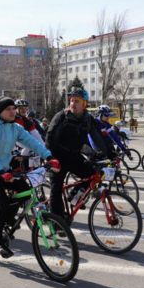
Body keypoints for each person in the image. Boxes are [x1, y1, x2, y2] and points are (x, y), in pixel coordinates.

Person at [0, 96, 59, 258]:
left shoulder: (15, 127)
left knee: (25, 191)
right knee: (3, 202)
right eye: (8, 109)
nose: (13, 111)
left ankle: (6, 220)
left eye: (14, 108)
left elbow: (32, 142)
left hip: (4, 170)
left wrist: (49, 157)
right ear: (0, 112)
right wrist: (1, 172)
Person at [46, 87, 111, 223]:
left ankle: (73, 196)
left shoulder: (88, 119)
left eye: (77, 101)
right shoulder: (61, 116)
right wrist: (49, 158)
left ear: (84, 104)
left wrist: (108, 154)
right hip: (57, 157)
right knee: (56, 188)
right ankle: (58, 223)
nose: (73, 104)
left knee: (93, 175)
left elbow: (99, 137)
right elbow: (49, 138)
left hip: (74, 156)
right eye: (71, 100)